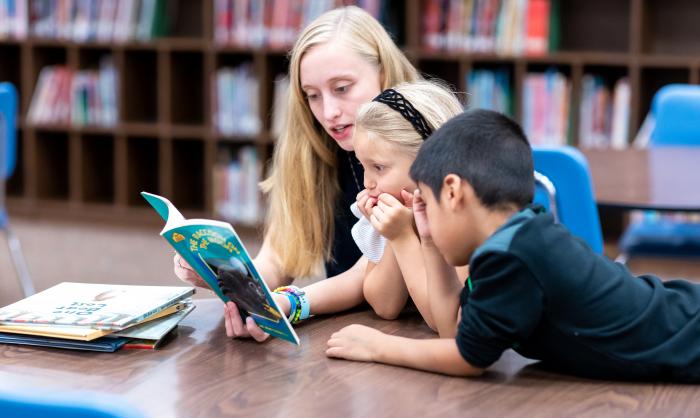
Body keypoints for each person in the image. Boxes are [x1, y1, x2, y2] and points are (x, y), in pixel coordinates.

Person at [326, 109, 700, 382]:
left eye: (427, 202)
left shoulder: (512, 257)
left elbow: (468, 358)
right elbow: (456, 333)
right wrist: (425, 240)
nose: (426, 218)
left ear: (454, 192)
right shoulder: (519, 237)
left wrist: (377, 347)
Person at [174, 6, 420, 341]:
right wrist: (225, 276)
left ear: (384, 73)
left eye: (343, 88)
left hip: (422, 329)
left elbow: (370, 279)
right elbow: (280, 257)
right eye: (313, 96)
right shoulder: (312, 149)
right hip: (352, 330)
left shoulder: (415, 150)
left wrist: (291, 302)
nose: (329, 112)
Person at [350, 80, 467, 329]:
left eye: (379, 167)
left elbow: (447, 322)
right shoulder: (400, 212)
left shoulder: (464, 219)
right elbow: (384, 306)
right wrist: (394, 236)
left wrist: (403, 238)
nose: (367, 182)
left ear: (429, 162)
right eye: (363, 166)